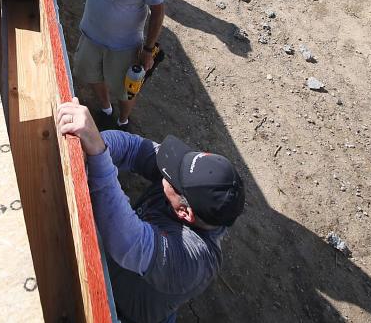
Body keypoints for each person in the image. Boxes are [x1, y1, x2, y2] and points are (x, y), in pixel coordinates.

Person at [56, 98, 246, 323]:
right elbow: (135, 148)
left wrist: (98, 153)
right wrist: (95, 145)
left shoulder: (194, 262)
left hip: (122, 313)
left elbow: (129, 242)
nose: (166, 170)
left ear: (184, 212)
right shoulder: (184, 180)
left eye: (173, 179)